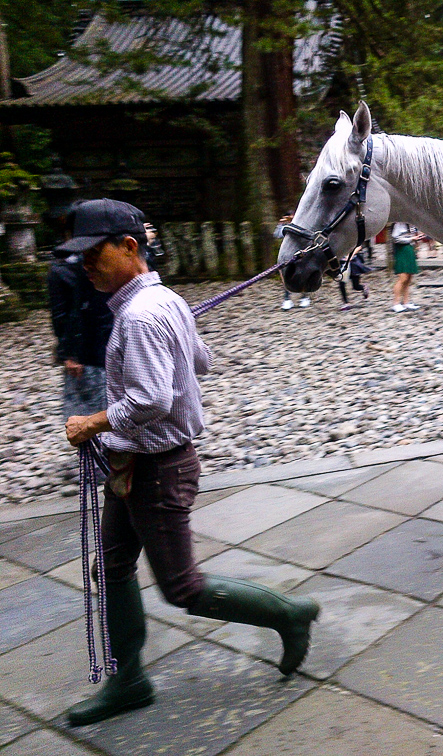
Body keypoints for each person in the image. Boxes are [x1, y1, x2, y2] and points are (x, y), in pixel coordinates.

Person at [59, 199, 320, 727]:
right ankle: (128, 680)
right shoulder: (162, 302)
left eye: (94, 253)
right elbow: (202, 360)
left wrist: (91, 422)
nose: (85, 264)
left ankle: (290, 616)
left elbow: (151, 401)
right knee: (109, 566)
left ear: (129, 247)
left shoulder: (140, 315)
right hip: (132, 467)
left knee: (183, 589)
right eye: (78, 256)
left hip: (158, 469)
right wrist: (174, 339)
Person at [48, 250, 114, 423]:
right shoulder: (64, 270)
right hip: (87, 348)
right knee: (91, 412)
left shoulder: (63, 268)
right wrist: (69, 353)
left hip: (101, 345)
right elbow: (63, 315)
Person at [274, 213, 310, 310]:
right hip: (286, 254)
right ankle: (287, 299)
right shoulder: (283, 227)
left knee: (301, 275)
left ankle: (304, 297)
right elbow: (277, 235)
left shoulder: (301, 224)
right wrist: (281, 224)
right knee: (285, 276)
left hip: (299, 253)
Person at [390, 221, 419, 312]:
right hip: (402, 251)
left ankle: (406, 302)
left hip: (409, 249)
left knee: (409, 278)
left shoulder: (411, 224)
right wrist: (411, 239)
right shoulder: (398, 224)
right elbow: (395, 239)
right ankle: (396, 303)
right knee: (402, 278)